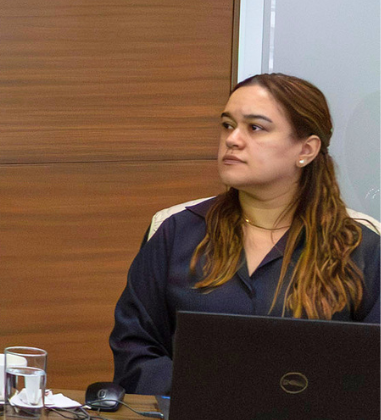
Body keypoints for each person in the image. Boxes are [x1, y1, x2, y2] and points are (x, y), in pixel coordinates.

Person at [111, 73, 380, 396]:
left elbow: (372, 370)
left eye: (255, 128)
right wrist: (205, 397)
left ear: (306, 149)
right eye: (227, 125)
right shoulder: (176, 231)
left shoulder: (360, 246)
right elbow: (135, 349)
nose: (233, 139)